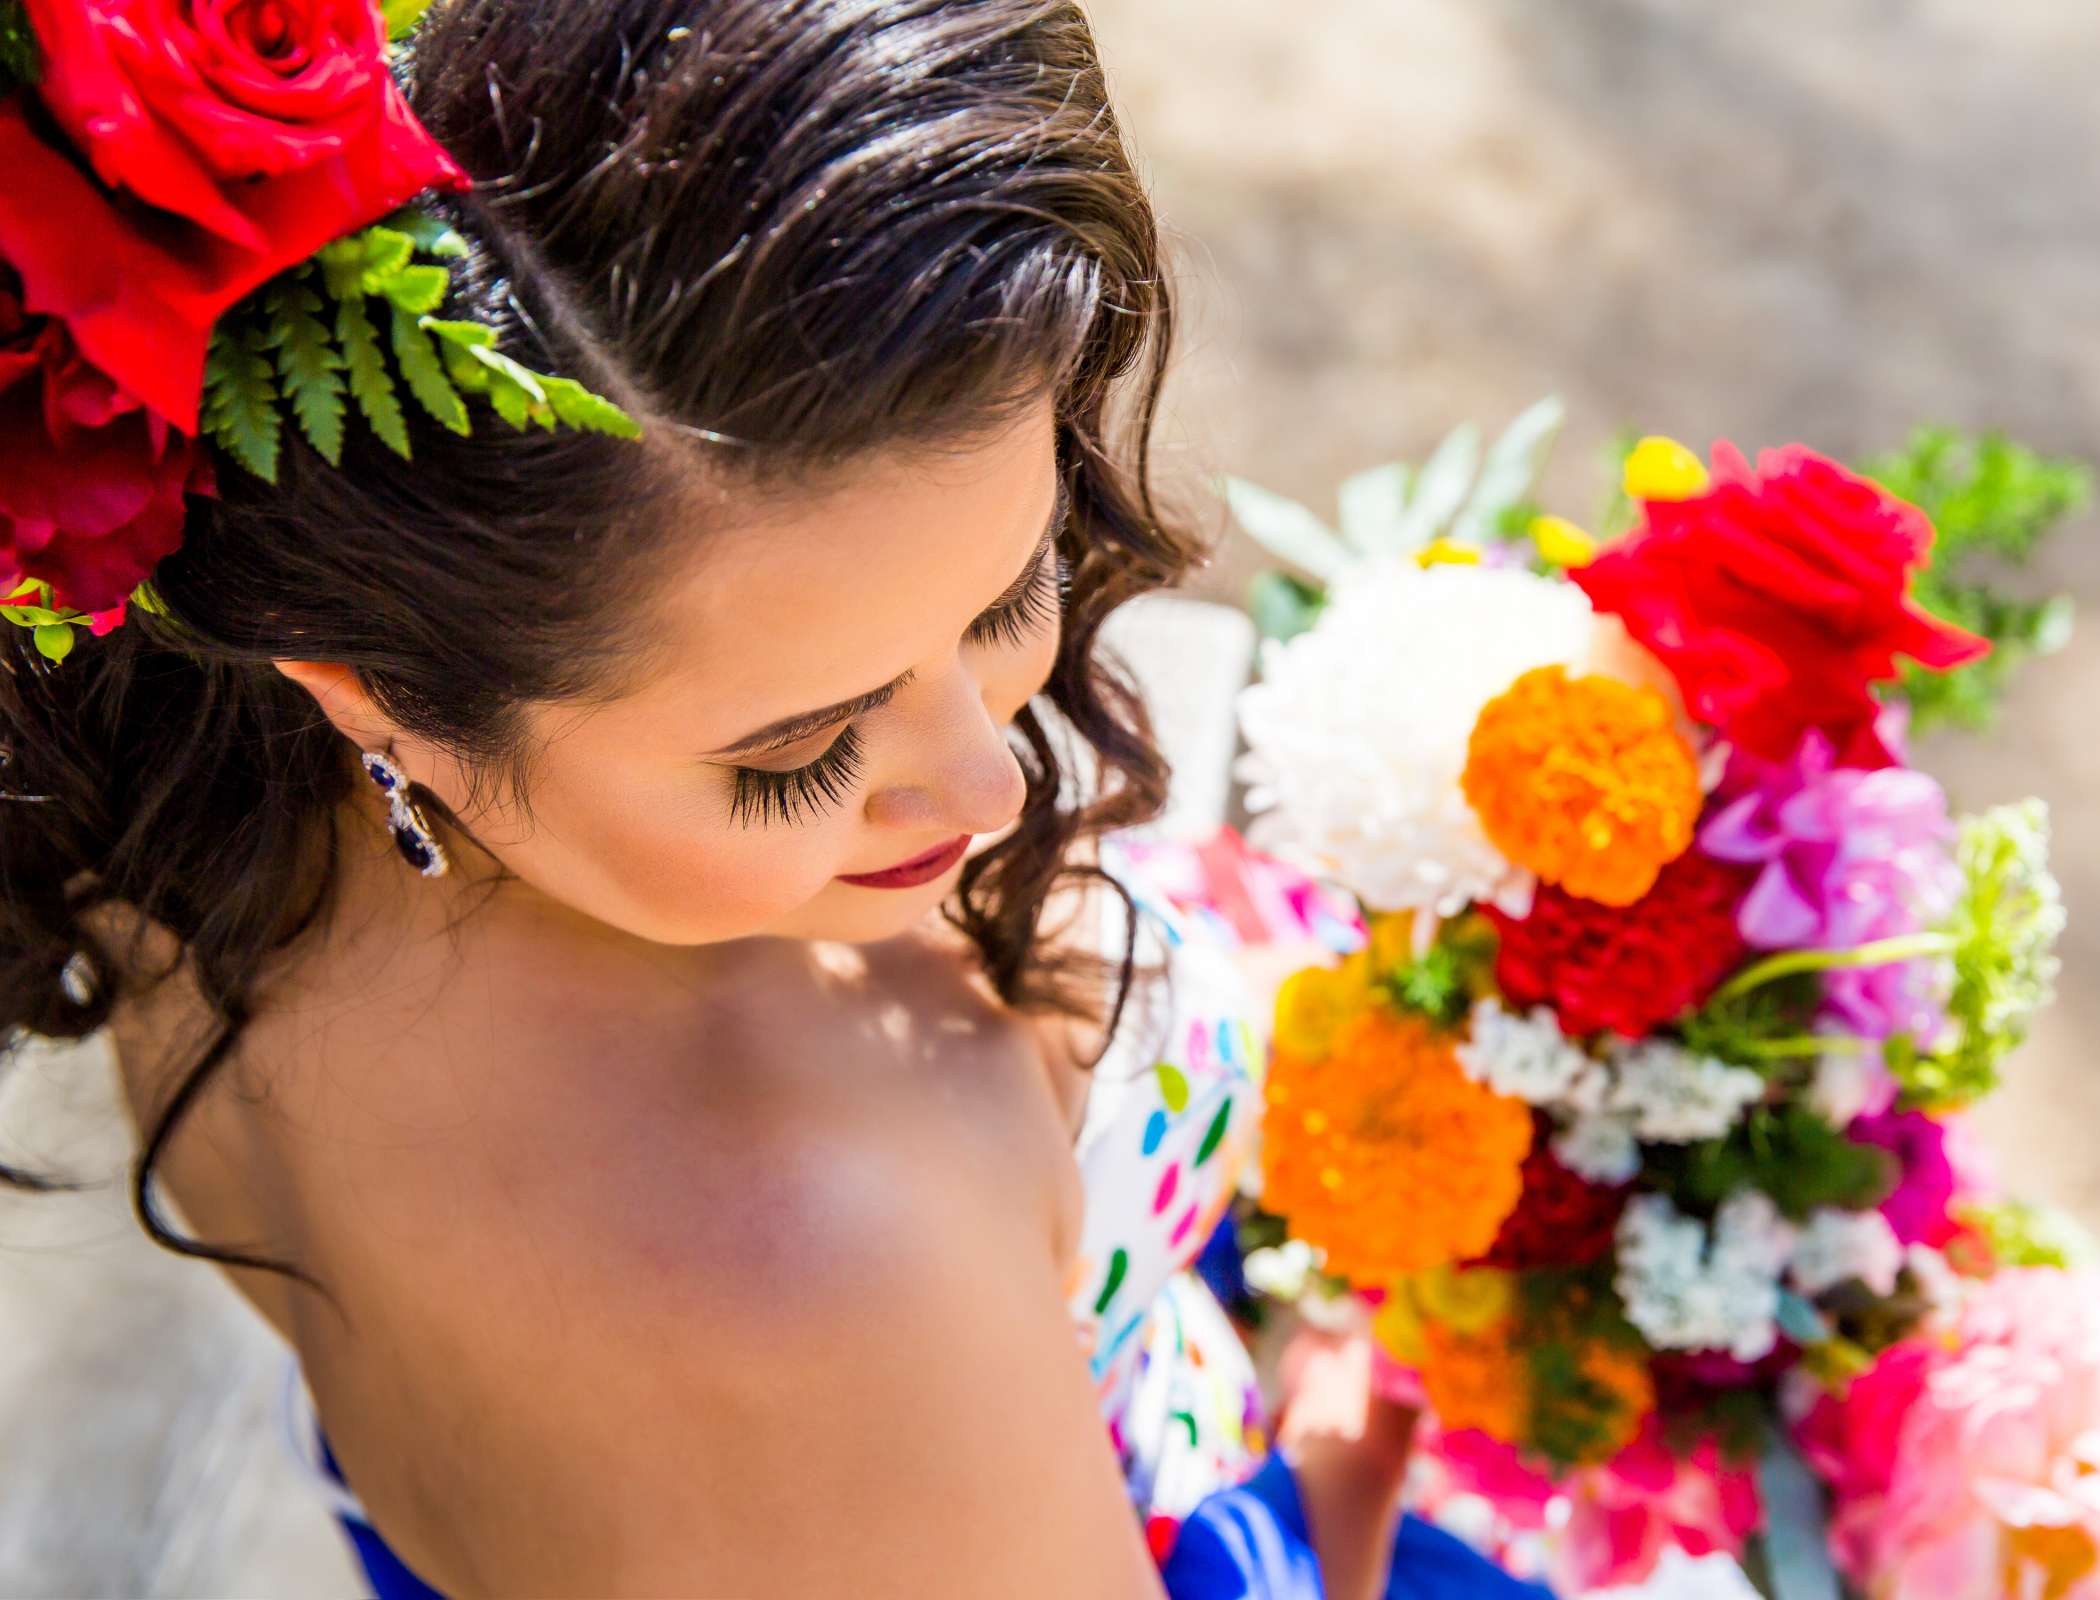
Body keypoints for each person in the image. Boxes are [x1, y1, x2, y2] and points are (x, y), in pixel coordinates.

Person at [0, 2, 1552, 1596]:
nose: (989, 780)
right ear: (386, 700)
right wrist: (1334, 1523)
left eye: (1009, 590)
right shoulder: (825, 1245)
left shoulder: (176, 796)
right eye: (799, 754)